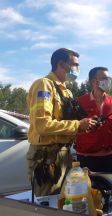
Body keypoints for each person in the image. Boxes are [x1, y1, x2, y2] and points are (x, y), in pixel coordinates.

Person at [27, 48, 97, 196]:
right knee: (47, 204)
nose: (77, 69)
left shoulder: (67, 91)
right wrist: (77, 125)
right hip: (45, 157)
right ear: (60, 63)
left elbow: (68, 125)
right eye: (74, 65)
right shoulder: (44, 85)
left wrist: (86, 125)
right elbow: (42, 125)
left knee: (64, 201)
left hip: (64, 155)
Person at [75, 67, 112, 173]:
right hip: (86, 158)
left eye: (109, 78)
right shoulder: (79, 102)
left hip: (108, 158)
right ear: (94, 81)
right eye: (105, 78)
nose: (109, 81)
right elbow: (74, 128)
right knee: (86, 189)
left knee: (108, 189)